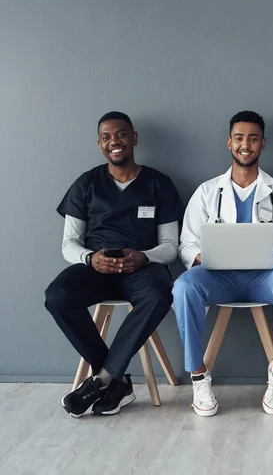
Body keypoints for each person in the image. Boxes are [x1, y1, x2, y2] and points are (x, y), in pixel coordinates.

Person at [173, 110, 273, 416]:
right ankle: (199, 377)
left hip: (266, 279)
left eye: (253, 138)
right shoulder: (207, 192)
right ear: (229, 143)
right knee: (184, 286)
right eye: (239, 138)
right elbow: (186, 243)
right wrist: (200, 256)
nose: (245, 145)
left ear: (263, 144)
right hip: (218, 280)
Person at [44, 111, 184, 418]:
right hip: (97, 267)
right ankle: (116, 379)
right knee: (57, 296)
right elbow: (69, 242)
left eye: (120, 134)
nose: (114, 142)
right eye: (106, 137)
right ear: (99, 144)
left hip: (143, 268)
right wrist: (89, 258)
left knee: (161, 293)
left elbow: (171, 247)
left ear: (133, 138)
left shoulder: (159, 184)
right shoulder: (86, 184)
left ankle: (103, 380)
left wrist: (145, 256)